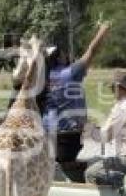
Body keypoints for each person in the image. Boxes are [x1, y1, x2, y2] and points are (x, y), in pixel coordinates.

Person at [43, 22, 111, 163]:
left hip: (47, 131)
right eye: (63, 53)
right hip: (68, 135)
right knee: (64, 165)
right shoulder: (70, 73)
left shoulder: (43, 77)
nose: (67, 55)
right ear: (59, 56)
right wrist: (102, 31)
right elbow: (91, 51)